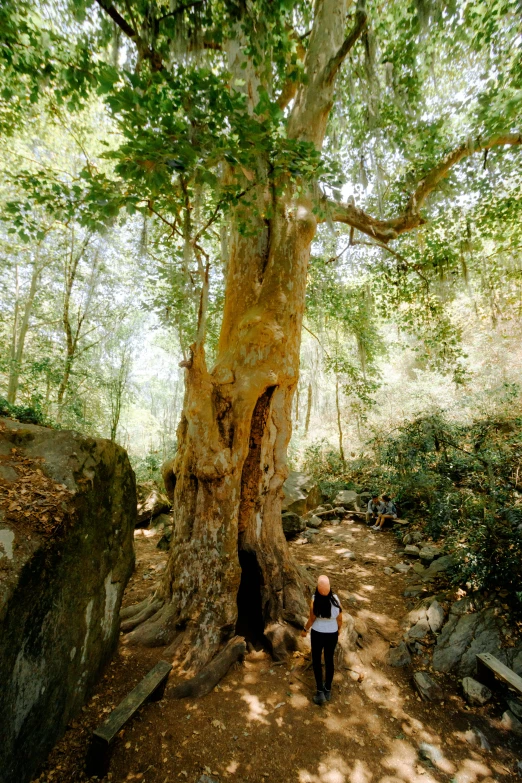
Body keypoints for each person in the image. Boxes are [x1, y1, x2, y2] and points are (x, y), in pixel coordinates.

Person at [301, 575, 343, 705]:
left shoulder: (314, 600)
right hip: (332, 634)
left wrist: (305, 630)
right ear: (330, 588)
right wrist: (338, 630)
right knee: (329, 660)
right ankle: (328, 689)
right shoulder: (336, 600)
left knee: (317, 660)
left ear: (317, 589)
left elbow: (312, 619)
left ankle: (320, 691)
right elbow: (340, 619)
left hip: (318, 634)